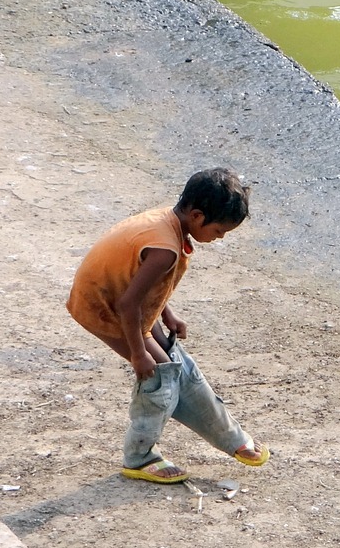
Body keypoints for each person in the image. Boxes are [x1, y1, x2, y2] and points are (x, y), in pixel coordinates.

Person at [67, 167, 270, 483]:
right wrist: (138, 354)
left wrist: (166, 313)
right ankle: (139, 457)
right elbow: (127, 304)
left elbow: (144, 284)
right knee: (161, 380)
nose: (219, 239)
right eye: (219, 232)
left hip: (123, 302)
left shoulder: (168, 222)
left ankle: (231, 437)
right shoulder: (165, 248)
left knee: (181, 365)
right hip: (105, 307)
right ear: (198, 217)